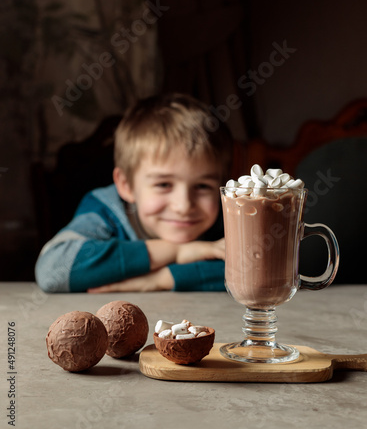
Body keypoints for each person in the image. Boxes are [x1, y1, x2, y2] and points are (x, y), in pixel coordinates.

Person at [35, 93, 233, 293]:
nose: (183, 206)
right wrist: (176, 252)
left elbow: (259, 271)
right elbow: (52, 270)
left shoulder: (228, 214)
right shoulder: (104, 210)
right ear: (126, 185)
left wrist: (162, 279)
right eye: (164, 184)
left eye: (203, 186)